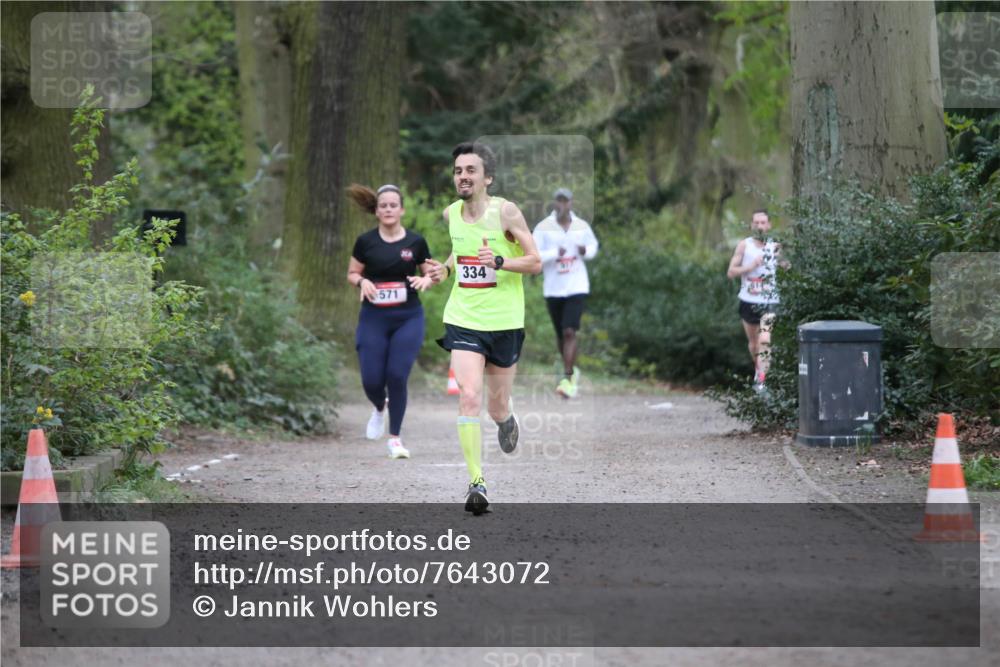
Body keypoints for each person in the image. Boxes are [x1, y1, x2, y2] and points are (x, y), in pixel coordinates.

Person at [427, 142, 542, 515]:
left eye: (471, 170)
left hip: (505, 322)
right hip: (464, 319)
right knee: (469, 395)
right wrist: (446, 270)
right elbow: (459, 251)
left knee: (495, 405)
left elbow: (535, 261)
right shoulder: (451, 214)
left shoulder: (506, 212)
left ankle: (505, 419)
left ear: (487, 178)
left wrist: (500, 261)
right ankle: (476, 482)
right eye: (458, 171)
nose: (463, 176)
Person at [346, 183, 439, 459]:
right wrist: (362, 282)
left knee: (397, 375)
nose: (388, 209)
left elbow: (432, 272)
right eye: (383, 205)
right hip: (373, 318)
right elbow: (352, 273)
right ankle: (379, 407)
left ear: (402, 210)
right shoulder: (365, 242)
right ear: (376, 211)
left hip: (408, 317)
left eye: (393, 205)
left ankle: (395, 439)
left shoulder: (415, 242)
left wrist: (427, 279)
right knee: (371, 379)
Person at [532, 188, 599, 398]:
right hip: (554, 288)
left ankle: (568, 378)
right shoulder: (543, 227)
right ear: (554, 203)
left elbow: (593, 246)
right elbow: (533, 255)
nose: (563, 205)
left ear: (571, 203)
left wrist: (585, 251)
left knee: (570, 331)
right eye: (559, 201)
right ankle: (570, 370)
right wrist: (554, 253)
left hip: (576, 286)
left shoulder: (581, 226)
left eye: (566, 201)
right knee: (561, 334)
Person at [726, 209, 785, 392]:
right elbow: (731, 272)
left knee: (765, 339)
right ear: (751, 225)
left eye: (763, 223)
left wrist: (782, 262)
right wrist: (750, 266)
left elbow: (787, 266)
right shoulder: (744, 245)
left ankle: (761, 380)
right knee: (754, 344)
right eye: (756, 223)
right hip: (748, 300)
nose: (759, 226)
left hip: (770, 301)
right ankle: (758, 370)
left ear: (769, 225)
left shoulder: (775, 246)